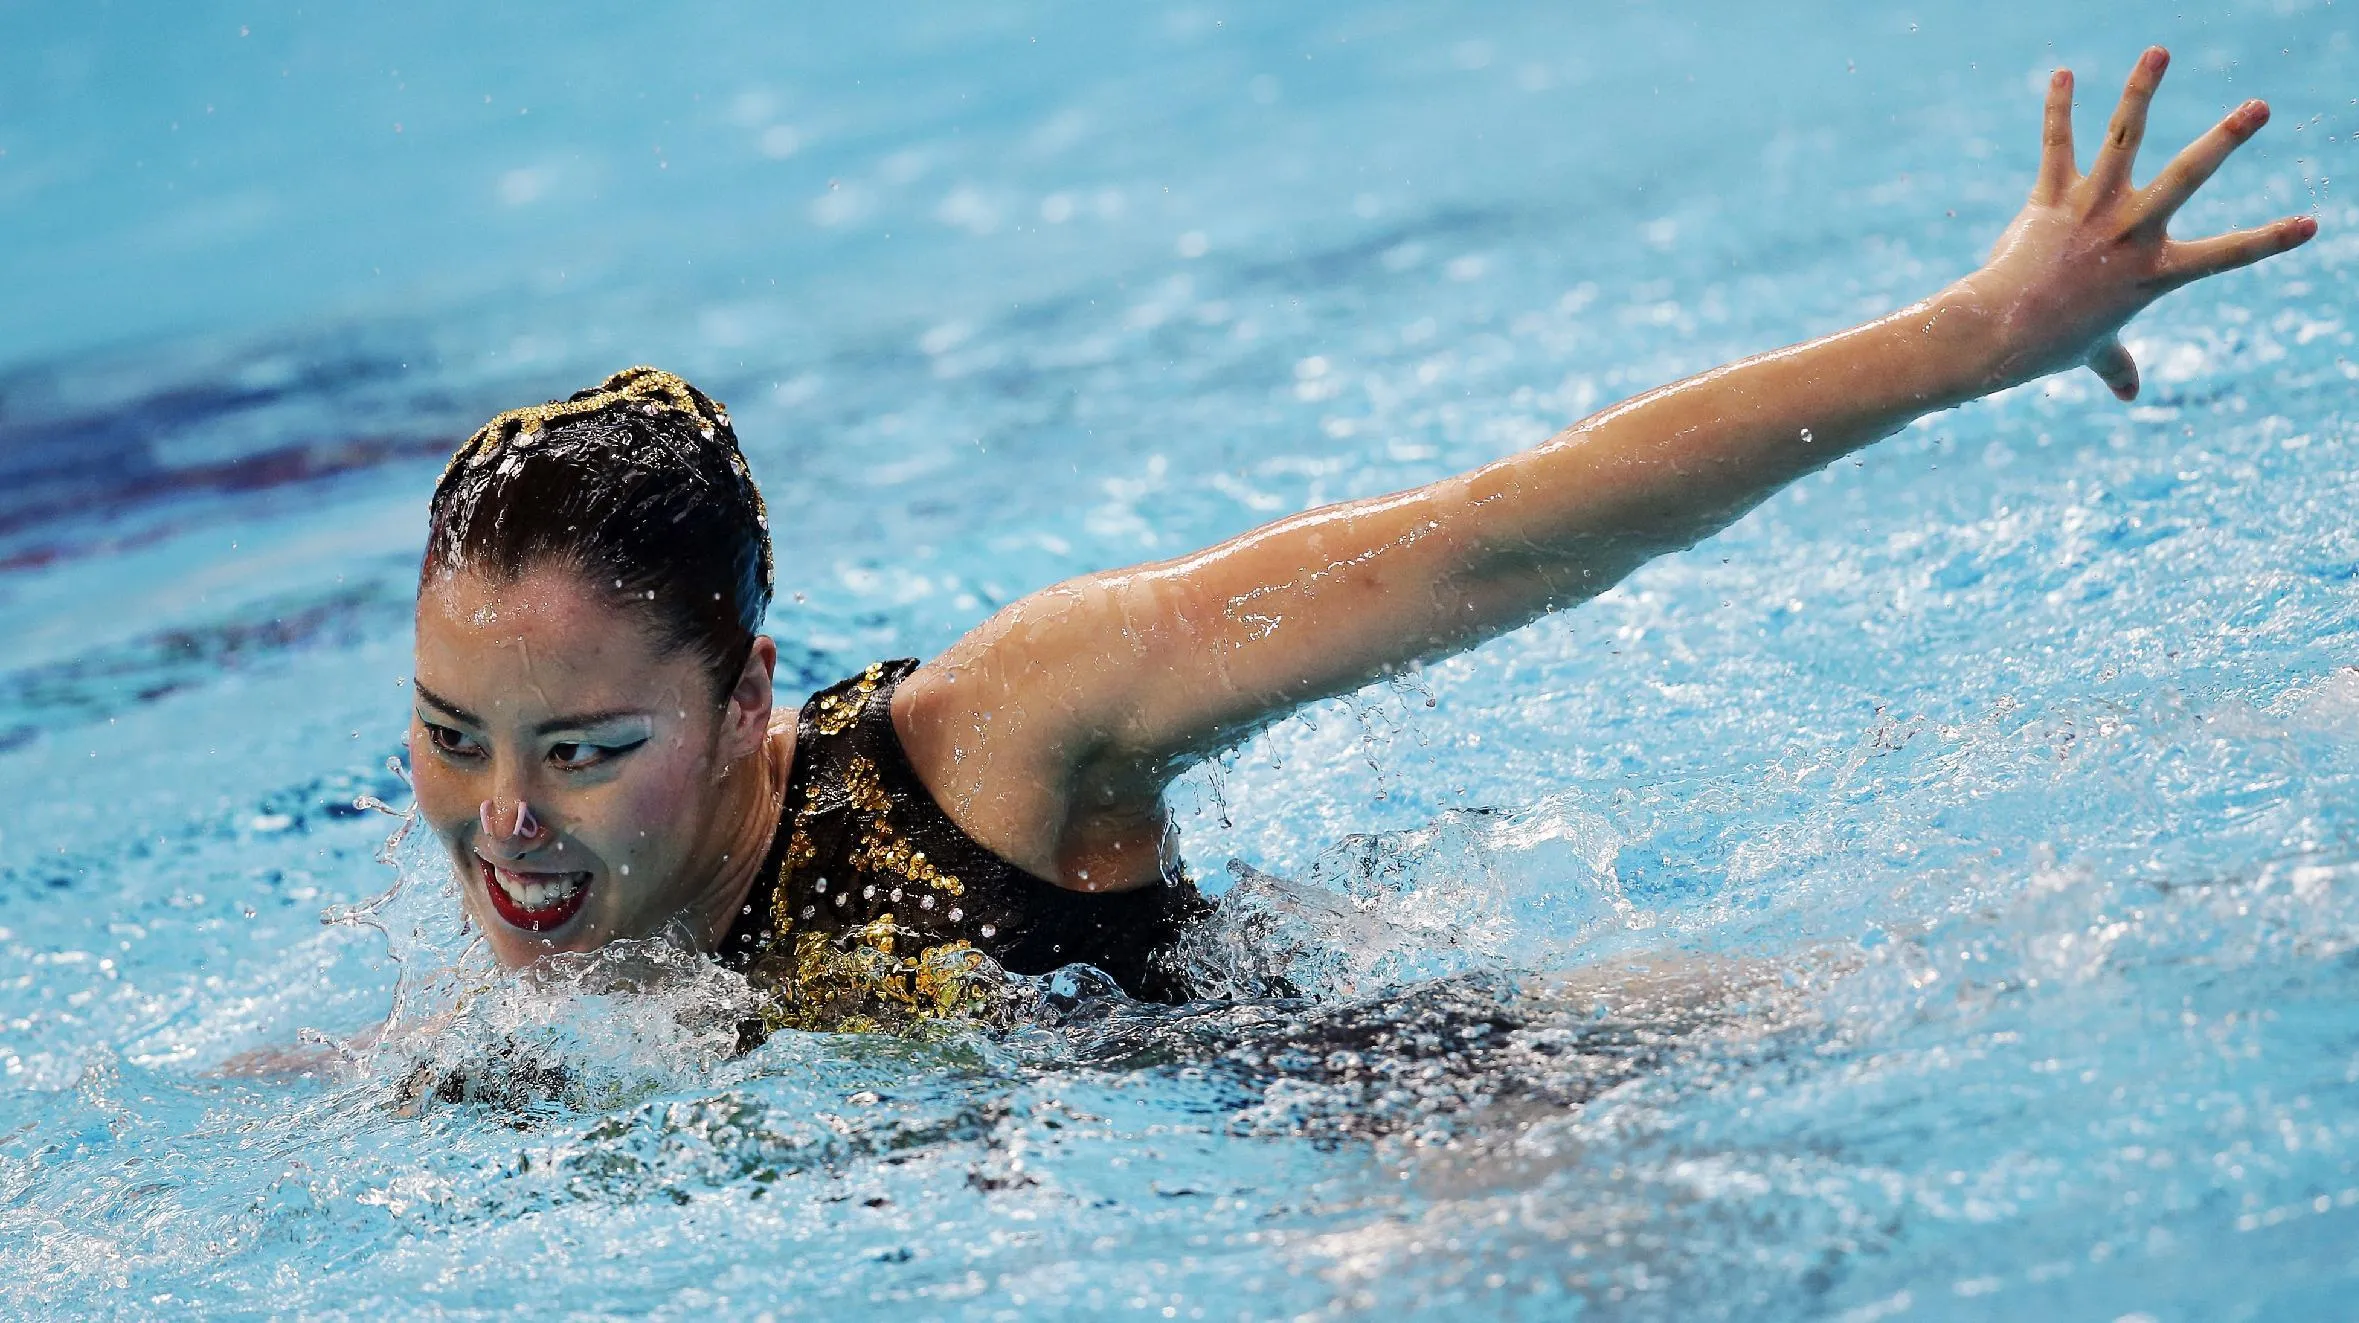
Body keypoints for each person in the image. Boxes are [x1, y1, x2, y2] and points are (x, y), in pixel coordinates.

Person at [405, 49, 2313, 1036]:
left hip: (1417, 1096)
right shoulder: (563, 960)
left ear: (746, 694)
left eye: (581, 753)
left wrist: (1978, 336)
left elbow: (1499, 540)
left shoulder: (994, 738)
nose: (504, 822)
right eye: (452, 735)